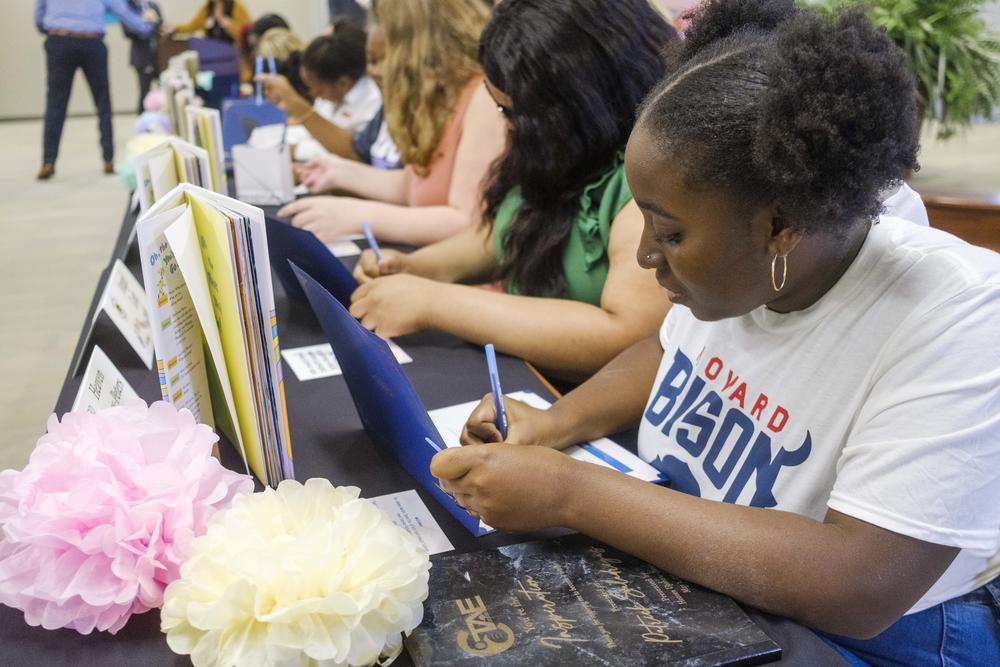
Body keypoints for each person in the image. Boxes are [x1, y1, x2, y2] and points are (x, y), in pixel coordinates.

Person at [432, 1, 1000, 665]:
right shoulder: (772, 260)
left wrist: (570, 492)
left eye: (670, 232)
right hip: (712, 579)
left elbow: (859, 582)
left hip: (868, 636)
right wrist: (557, 422)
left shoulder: (961, 315)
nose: (646, 256)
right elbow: (670, 352)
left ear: (782, 224)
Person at [346, 0, 677, 382]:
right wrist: (417, 267)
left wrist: (435, 302)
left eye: (515, 113)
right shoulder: (561, 146)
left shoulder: (650, 175)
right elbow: (513, 232)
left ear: (580, 104)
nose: (509, 127)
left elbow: (627, 336)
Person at [275, 0, 506, 247]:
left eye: (381, 58)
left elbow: (466, 222)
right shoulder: (441, 99)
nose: (374, 71)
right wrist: (339, 172)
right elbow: (414, 186)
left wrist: (358, 216)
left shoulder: (482, 98)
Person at [34, 0, 157, 181]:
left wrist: (55, 29)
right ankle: (108, 160)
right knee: (102, 102)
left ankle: (48, 162)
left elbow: (39, 18)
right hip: (91, 42)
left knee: (55, 104)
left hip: (59, 40)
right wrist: (148, 25)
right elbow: (122, 12)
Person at [290, 17, 401, 170]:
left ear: (342, 83)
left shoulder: (373, 100)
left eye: (319, 89)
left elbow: (352, 156)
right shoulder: (384, 110)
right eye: (371, 61)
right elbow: (358, 151)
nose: (313, 94)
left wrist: (298, 109)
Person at [123, 0, 162, 114]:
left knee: (164, 89)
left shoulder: (153, 6)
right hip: (141, 56)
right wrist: (143, 20)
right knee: (144, 91)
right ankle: (142, 121)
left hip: (158, 55)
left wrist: (155, 20)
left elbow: (160, 24)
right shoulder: (128, 8)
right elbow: (127, 31)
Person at [170, 0, 251, 46]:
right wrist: (174, 28)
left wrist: (230, 25)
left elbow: (248, 31)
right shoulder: (207, 8)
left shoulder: (236, 6)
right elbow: (191, 26)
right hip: (212, 54)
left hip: (234, 56)